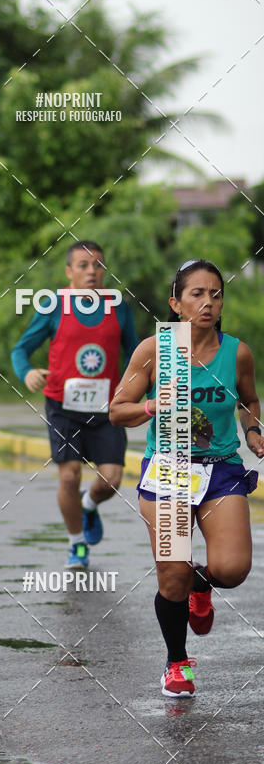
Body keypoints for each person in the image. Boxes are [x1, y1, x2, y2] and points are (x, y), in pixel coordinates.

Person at [109, 258, 263, 698]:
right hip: (171, 472)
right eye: (197, 294)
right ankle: (177, 662)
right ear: (176, 303)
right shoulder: (155, 351)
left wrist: (253, 430)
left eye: (216, 294)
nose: (208, 302)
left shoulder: (238, 352)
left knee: (232, 570)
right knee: (171, 577)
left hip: (220, 471)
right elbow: (117, 411)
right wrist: (148, 408)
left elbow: (249, 400)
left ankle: (203, 584)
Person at [11, 240, 138, 568]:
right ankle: (76, 543)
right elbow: (20, 350)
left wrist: (132, 389)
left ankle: (89, 505)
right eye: (83, 265)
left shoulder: (118, 306)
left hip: (106, 408)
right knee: (68, 475)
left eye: (98, 265)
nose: (92, 271)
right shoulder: (54, 305)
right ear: (69, 271)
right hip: (63, 406)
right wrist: (26, 374)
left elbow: (137, 355)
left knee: (111, 479)